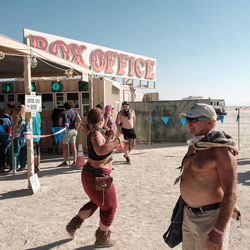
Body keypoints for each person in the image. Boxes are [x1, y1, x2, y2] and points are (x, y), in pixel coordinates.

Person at [178, 103, 238, 250]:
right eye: (188, 119)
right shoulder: (195, 145)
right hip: (188, 214)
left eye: (194, 119)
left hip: (211, 219)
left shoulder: (222, 152)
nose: (188, 123)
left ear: (210, 122)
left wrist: (218, 231)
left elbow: (231, 193)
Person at [65, 108, 125, 247]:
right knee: (109, 207)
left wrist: (108, 133)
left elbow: (102, 142)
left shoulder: (97, 131)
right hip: (98, 176)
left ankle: (73, 225)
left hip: (91, 174)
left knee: (96, 202)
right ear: (102, 119)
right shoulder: (96, 133)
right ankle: (102, 238)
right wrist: (117, 140)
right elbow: (100, 149)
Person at [58, 102, 81, 166]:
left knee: (65, 147)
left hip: (66, 131)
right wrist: (77, 128)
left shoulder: (62, 113)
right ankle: (75, 160)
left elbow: (59, 123)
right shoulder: (75, 112)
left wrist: (61, 125)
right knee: (73, 146)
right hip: (73, 130)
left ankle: (65, 161)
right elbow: (80, 120)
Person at [9, 104, 27, 172]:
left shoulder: (17, 117)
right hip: (23, 136)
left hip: (16, 136)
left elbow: (14, 126)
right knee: (23, 152)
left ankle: (13, 168)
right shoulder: (26, 117)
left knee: (14, 152)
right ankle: (22, 166)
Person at [0, 108, 11, 174]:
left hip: (2, 139)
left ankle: (2, 167)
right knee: (8, 153)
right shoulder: (9, 119)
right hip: (8, 139)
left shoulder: (1, 120)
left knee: (2, 154)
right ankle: (8, 165)